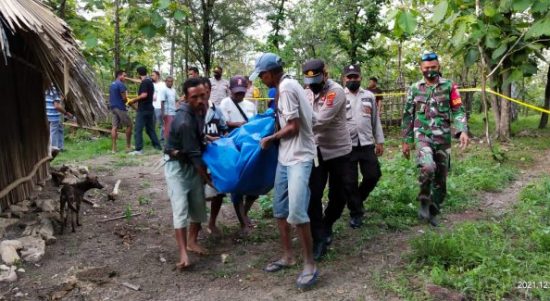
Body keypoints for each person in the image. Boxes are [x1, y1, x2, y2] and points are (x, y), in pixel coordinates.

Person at [254, 52, 318, 289]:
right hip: (285, 156)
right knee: (280, 210)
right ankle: (288, 256)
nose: (261, 80)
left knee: (297, 211)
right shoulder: (281, 88)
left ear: (269, 73)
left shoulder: (288, 88)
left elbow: (293, 127)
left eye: (261, 75)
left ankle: (309, 263)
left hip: (299, 157)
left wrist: (270, 138)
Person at [401, 51, 469, 227]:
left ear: (438, 67)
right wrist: (406, 141)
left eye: (433, 67)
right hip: (422, 135)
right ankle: (424, 197)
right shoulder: (415, 88)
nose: (430, 71)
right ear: (421, 68)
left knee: (441, 180)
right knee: (428, 166)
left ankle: (433, 210)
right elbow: (408, 116)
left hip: (443, 137)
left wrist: (462, 130)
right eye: (426, 68)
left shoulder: (449, 86)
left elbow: (458, 109)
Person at [302, 59, 352, 261]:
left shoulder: (336, 91)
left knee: (339, 195)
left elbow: (321, 121)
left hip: (339, 151)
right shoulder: (306, 92)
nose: (312, 83)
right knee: (313, 194)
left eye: (316, 78)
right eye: (308, 79)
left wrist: (298, 122)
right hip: (316, 151)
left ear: (326, 74)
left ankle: (328, 221)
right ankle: (319, 237)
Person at [164, 77, 211, 270]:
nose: (200, 100)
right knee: (181, 208)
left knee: (198, 204)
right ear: (186, 98)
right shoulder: (184, 120)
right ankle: (183, 253)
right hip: (177, 166)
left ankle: (192, 241)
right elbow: (194, 155)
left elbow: (197, 142)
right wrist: (208, 178)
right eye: (195, 97)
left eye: (202, 95)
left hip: (191, 163)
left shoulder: (200, 110)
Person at [342, 64, 385, 229]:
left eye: (355, 77)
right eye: (349, 77)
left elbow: (375, 119)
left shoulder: (369, 96)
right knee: (349, 181)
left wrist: (379, 140)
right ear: (344, 78)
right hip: (347, 146)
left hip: (366, 143)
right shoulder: (339, 95)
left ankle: (357, 200)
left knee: (373, 175)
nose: (352, 80)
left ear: (360, 77)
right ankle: (356, 213)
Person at [219, 75, 258, 235]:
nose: (239, 95)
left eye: (242, 92)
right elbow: (223, 123)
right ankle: (243, 222)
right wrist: (239, 125)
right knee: (237, 186)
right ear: (230, 90)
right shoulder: (225, 103)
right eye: (236, 92)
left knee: (254, 186)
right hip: (232, 147)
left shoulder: (250, 104)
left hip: (249, 148)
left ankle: (244, 213)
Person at [200, 77, 229, 237]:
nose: (202, 95)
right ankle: (196, 224)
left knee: (218, 191)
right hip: (198, 157)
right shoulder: (191, 111)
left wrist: (222, 138)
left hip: (215, 157)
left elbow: (224, 130)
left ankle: (212, 222)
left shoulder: (217, 110)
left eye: (205, 91)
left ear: (209, 91)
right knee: (198, 190)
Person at [127, 66, 162, 154]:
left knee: (138, 129)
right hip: (150, 109)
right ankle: (158, 146)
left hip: (143, 110)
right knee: (150, 129)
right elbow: (139, 81)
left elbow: (144, 95)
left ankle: (139, 149)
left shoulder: (145, 83)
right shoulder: (149, 81)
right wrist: (128, 78)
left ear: (138, 74)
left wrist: (133, 100)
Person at [108, 70, 133, 153]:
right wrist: (131, 103)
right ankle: (128, 147)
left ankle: (114, 148)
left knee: (114, 127)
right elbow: (124, 98)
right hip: (120, 107)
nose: (125, 78)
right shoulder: (121, 84)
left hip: (113, 107)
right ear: (119, 75)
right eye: (124, 76)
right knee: (129, 125)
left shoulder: (112, 84)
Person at [45, 84, 72, 151]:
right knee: (54, 132)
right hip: (53, 116)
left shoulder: (47, 89)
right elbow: (57, 106)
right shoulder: (55, 90)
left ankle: (60, 148)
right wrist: (66, 113)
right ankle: (54, 149)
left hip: (47, 115)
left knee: (59, 129)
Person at [159, 75, 178, 140]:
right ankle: (167, 142)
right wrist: (163, 113)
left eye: (171, 81)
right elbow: (162, 102)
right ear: (166, 82)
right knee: (168, 128)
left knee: (173, 127)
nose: (170, 83)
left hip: (174, 112)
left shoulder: (174, 90)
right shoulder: (164, 90)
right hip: (167, 113)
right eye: (169, 81)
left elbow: (177, 99)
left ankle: (171, 141)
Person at [152, 71, 166, 144]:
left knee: (161, 124)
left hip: (159, 106)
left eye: (153, 75)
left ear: (158, 76)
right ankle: (154, 141)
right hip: (151, 107)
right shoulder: (151, 84)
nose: (152, 76)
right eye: (151, 75)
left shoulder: (163, 84)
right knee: (152, 125)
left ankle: (162, 140)